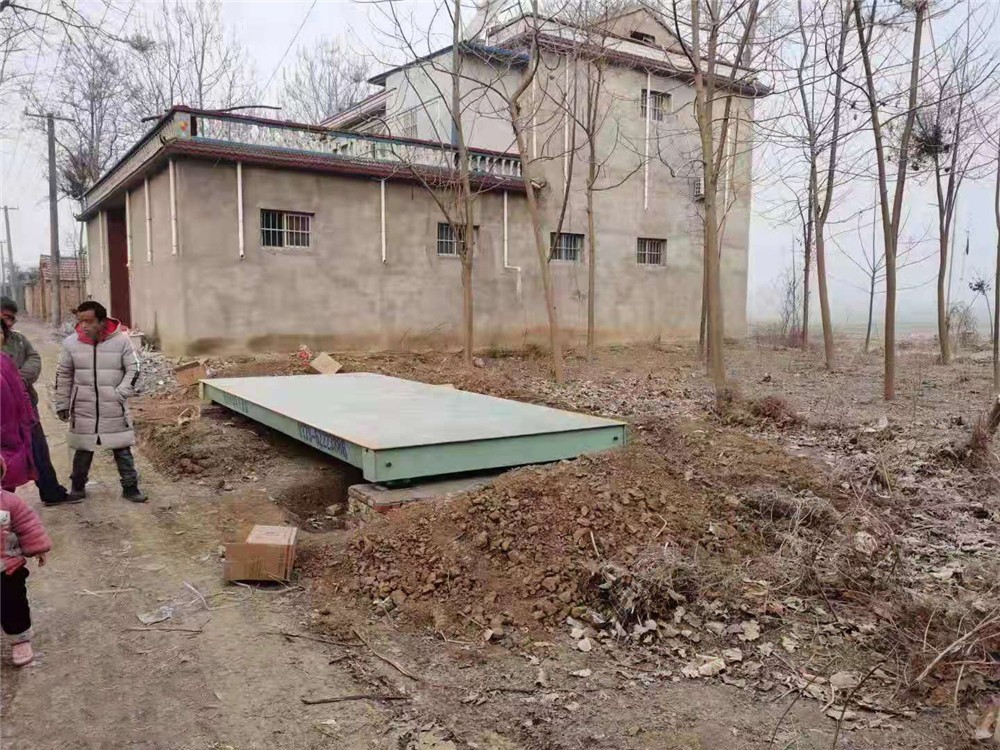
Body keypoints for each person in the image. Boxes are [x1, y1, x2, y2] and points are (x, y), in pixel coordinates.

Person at [54, 300, 147, 503]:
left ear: (102, 321)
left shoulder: (121, 341)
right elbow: (64, 374)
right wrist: (62, 403)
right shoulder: (71, 343)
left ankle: (130, 487)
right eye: (80, 321)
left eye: (89, 321)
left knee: (121, 448)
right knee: (83, 448)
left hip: (113, 405)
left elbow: (134, 368)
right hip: (83, 406)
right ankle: (77, 487)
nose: (83, 326)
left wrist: (121, 392)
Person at [1, 298, 71, 504]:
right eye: (5, 317)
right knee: (6, 457)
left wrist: (18, 380)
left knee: (38, 449)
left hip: (25, 408)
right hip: (3, 414)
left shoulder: (18, 340)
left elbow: (34, 359)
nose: (9, 323)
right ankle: (5, 502)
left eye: (12, 319)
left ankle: (51, 492)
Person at [0, 456, 52, 667]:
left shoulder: (9, 502)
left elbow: (27, 525)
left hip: (7, 567)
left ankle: (20, 638)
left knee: (12, 604)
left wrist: (38, 548)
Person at [1, 319, 37, 492]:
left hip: (11, 433)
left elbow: (20, 393)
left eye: (0, 332)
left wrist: (28, 418)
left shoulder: (5, 362)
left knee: (7, 481)